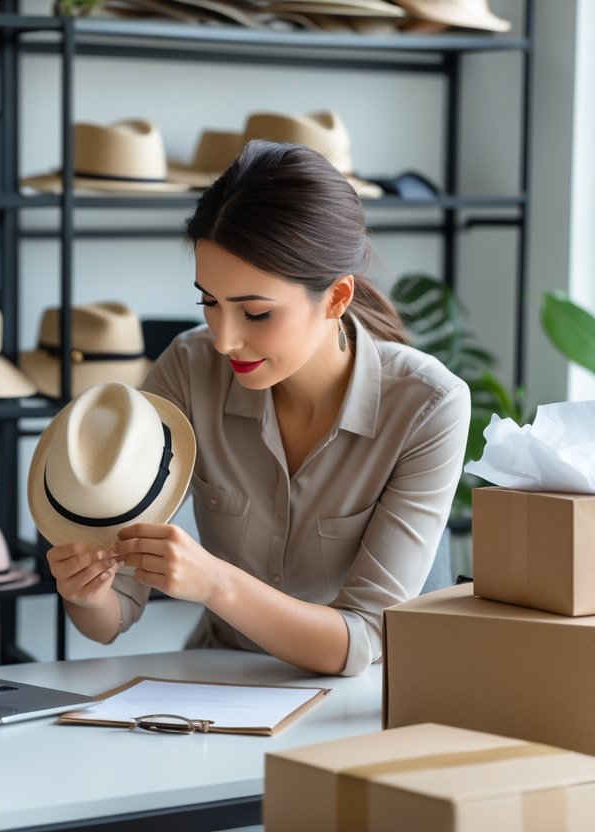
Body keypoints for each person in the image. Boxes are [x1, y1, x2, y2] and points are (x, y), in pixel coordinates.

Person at [45, 140, 471, 677]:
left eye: (256, 313)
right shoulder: (187, 368)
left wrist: (215, 582)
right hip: (216, 686)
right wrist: (87, 594)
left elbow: (361, 640)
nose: (223, 340)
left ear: (336, 299)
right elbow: (113, 617)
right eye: (209, 302)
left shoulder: (429, 404)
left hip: (365, 702)